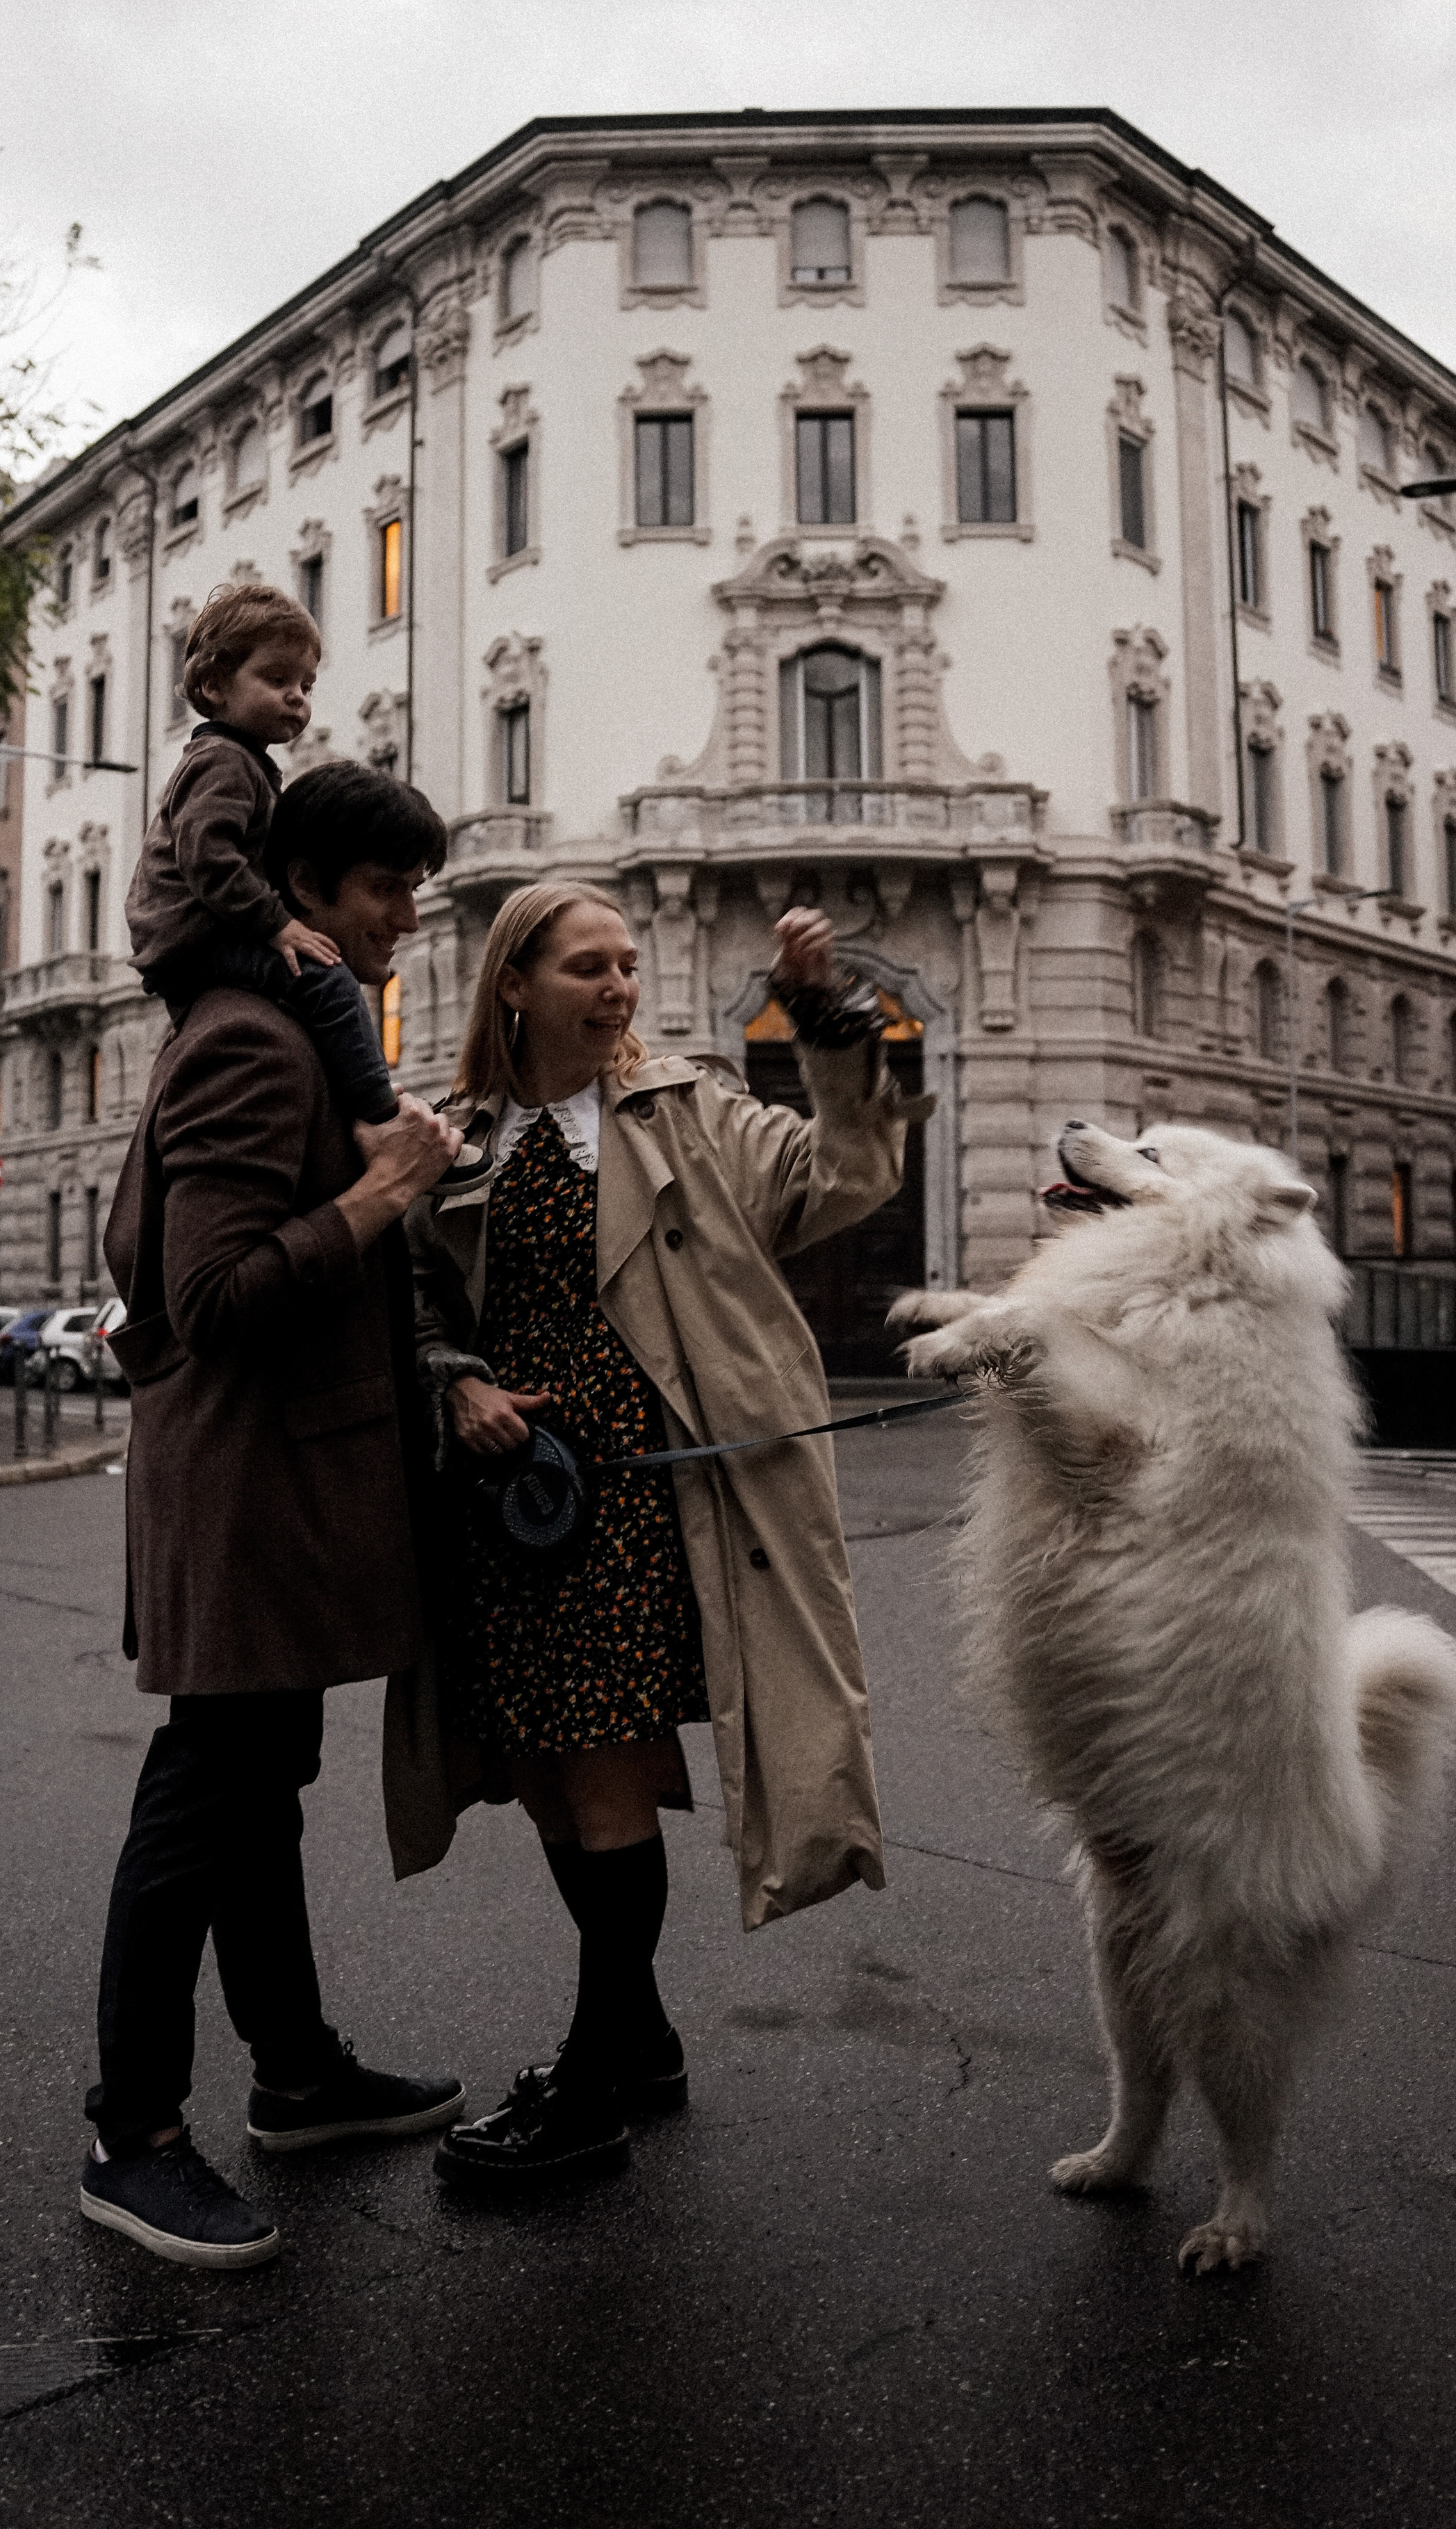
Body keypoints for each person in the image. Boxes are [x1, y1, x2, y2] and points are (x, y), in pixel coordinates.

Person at [398, 881, 931, 2190]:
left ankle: (591, 2086)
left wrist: (824, 1012)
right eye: (590, 966)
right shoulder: (458, 1133)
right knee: (546, 1788)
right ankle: (639, 2044)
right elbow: (404, 1302)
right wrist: (452, 1379)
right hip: (511, 1512)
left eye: (630, 965)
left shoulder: (684, 1113)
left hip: (641, 1504)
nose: (622, 987)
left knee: (603, 1783)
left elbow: (847, 1172)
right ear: (513, 985)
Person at [81, 761, 469, 2271]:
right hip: (247, 1494)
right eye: (385, 889)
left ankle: (296, 2072)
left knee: (256, 1788)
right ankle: (132, 2133)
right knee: (201, 1804)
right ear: (302, 885)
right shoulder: (254, 1044)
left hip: (275, 1490)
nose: (405, 920)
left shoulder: (282, 1035)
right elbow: (212, 1296)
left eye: (417, 892)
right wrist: (379, 1199)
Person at [124, 578, 488, 1185]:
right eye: (277, 681)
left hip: (195, 939)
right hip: (196, 938)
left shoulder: (243, 763)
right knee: (326, 980)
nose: (296, 699)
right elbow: (208, 858)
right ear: (214, 684)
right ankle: (384, 1119)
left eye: (306, 686)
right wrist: (279, 926)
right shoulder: (223, 763)